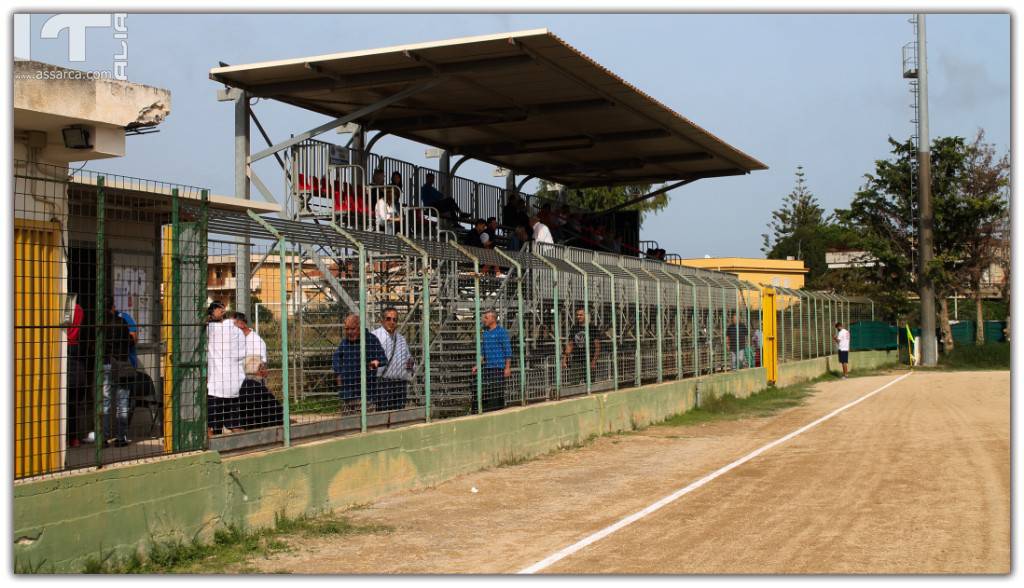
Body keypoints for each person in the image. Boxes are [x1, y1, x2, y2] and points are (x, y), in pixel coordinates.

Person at [332, 313, 388, 413]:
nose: (349, 332)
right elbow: (336, 358)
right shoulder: (345, 343)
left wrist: (377, 362)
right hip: (348, 394)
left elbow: (384, 359)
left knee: (367, 421)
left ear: (360, 328)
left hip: (366, 395)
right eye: (347, 329)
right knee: (348, 421)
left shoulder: (371, 340)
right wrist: (339, 372)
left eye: (353, 329)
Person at [207, 301, 246, 435]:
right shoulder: (238, 332)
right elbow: (242, 354)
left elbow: (201, 324)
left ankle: (211, 439)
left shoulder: (212, 329)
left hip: (216, 386)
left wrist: (212, 316)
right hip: (234, 384)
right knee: (234, 424)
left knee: (211, 425)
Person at [101, 297, 134, 447]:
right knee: (122, 402)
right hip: (121, 365)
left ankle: (103, 438)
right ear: (113, 307)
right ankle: (121, 438)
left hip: (106, 364)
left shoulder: (101, 324)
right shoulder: (122, 322)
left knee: (105, 401)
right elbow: (130, 342)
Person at [371, 307, 414, 412]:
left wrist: (408, 373)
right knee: (383, 414)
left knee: (399, 414)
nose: (392, 322)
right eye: (388, 319)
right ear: (382, 320)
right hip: (382, 384)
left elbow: (409, 358)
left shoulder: (401, 339)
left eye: (395, 319)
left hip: (400, 383)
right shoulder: (374, 336)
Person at [472, 309, 511, 413]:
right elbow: (483, 353)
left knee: (497, 393)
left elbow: (507, 350)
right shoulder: (485, 334)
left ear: (493, 319)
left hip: (499, 367)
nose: (484, 319)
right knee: (483, 390)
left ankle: (499, 412)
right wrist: (477, 365)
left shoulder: (501, 332)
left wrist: (507, 367)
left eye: (486, 317)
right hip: (488, 367)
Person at [63, 300, 89, 447]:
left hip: (66, 349)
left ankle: (66, 438)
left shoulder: (62, 306)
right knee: (74, 405)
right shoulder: (79, 308)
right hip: (76, 356)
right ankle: (73, 438)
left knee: (65, 403)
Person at [237, 356, 284, 429]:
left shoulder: (243, 385)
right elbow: (278, 411)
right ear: (259, 370)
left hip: (248, 424)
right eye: (264, 367)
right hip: (263, 425)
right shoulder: (259, 388)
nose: (266, 369)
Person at [562, 307, 602, 386]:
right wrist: (565, 359)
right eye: (577, 315)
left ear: (586, 315)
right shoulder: (574, 328)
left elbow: (597, 347)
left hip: (589, 361)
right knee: (574, 385)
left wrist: (594, 362)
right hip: (576, 361)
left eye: (581, 315)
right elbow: (570, 345)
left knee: (590, 384)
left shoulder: (592, 328)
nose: (578, 317)